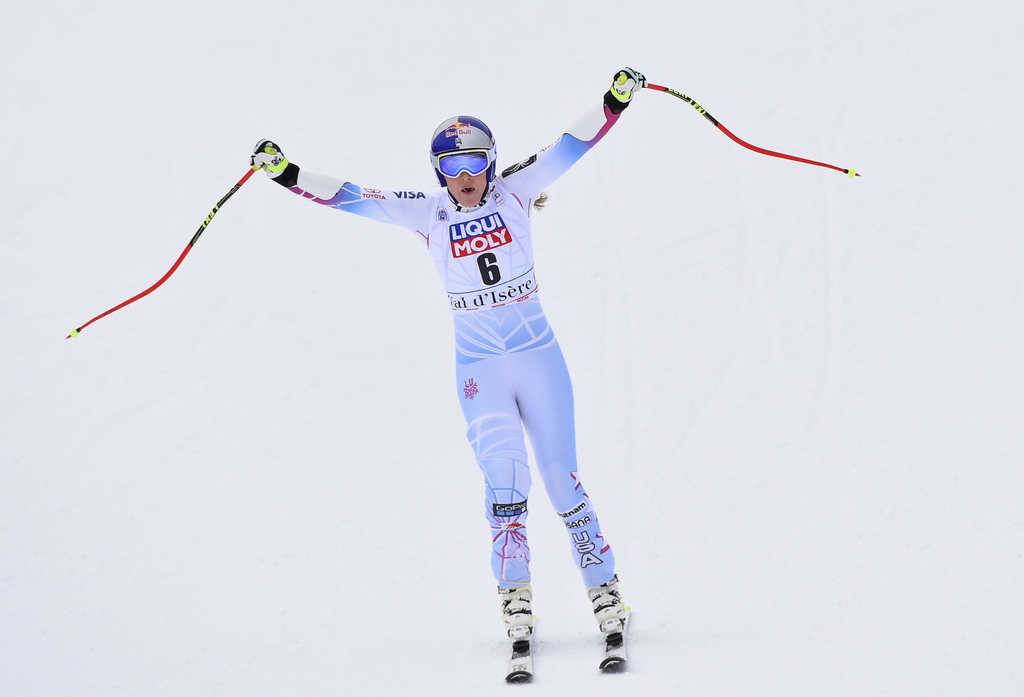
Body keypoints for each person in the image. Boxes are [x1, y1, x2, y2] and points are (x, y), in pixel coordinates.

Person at [250, 68, 646, 647]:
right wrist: (286, 173)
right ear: (438, 171)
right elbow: (350, 196)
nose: (465, 176)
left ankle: (604, 591)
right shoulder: (428, 212)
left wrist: (615, 100)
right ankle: (516, 606)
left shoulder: (515, 190)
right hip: (480, 366)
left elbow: (571, 145)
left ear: (491, 162)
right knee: (505, 481)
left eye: (475, 162)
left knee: (562, 478)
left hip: (537, 356)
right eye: (452, 167)